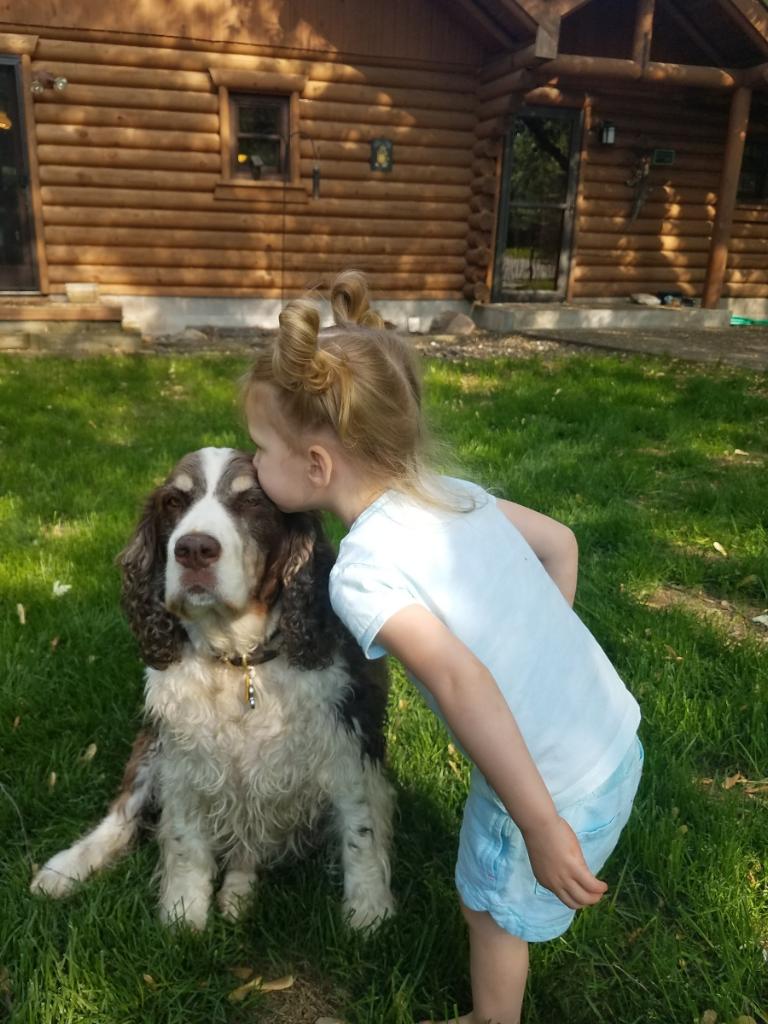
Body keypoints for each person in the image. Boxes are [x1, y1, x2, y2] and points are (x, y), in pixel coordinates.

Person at [243, 271, 643, 1024]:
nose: (256, 465)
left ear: (318, 466)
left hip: (552, 789)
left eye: (262, 450)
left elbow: (461, 684)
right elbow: (563, 544)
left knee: (487, 908)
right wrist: (536, 652)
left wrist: (538, 823)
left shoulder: (364, 572)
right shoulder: (453, 491)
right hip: (614, 733)